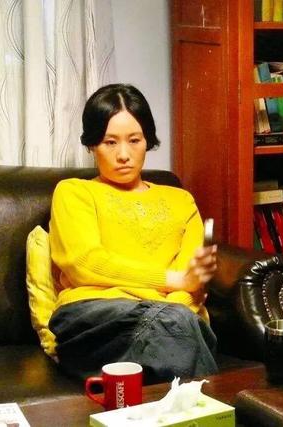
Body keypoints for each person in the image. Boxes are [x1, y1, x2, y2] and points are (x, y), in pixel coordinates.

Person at [48, 83, 219, 383]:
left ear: (147, 140)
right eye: (110, 142)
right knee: (179, 326)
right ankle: (214, 403)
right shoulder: (74, 192)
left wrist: (179, 298)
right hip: (93, 319)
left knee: (176, 325)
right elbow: (84, 264)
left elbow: (191, 282)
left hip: (170, 321)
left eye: (134, 140)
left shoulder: (180, 200)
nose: (123, 154)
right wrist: (172, 282)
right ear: (91, 145)